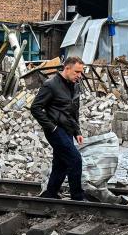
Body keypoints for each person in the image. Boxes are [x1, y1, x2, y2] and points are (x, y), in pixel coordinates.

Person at [30, 56, 86, 201]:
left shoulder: (75, 85)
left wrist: (77, 131)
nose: (79, 76)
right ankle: (77, 198)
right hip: (56, 130)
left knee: (60, 163)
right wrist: (52, 127)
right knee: (75, 159)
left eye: (81, 72)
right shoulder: (51, 85)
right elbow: (35, 108)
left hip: (68, 130)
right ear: (67, 68)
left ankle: (51, 193)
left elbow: (74, 111)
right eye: (77, 72)